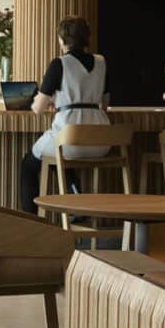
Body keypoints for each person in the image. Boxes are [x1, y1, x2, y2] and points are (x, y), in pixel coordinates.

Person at [19, 15, 111, 212]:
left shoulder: (59, 63)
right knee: (56, 156)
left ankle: (29, 220)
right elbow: (104, 105)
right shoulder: (102, 62)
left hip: (69, 139)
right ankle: (75, 198)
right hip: (101, 143)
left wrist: (54, 102)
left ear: (62, 40)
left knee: (29, 164)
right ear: (87, 37)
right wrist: (63, 102)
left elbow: (37, 108)